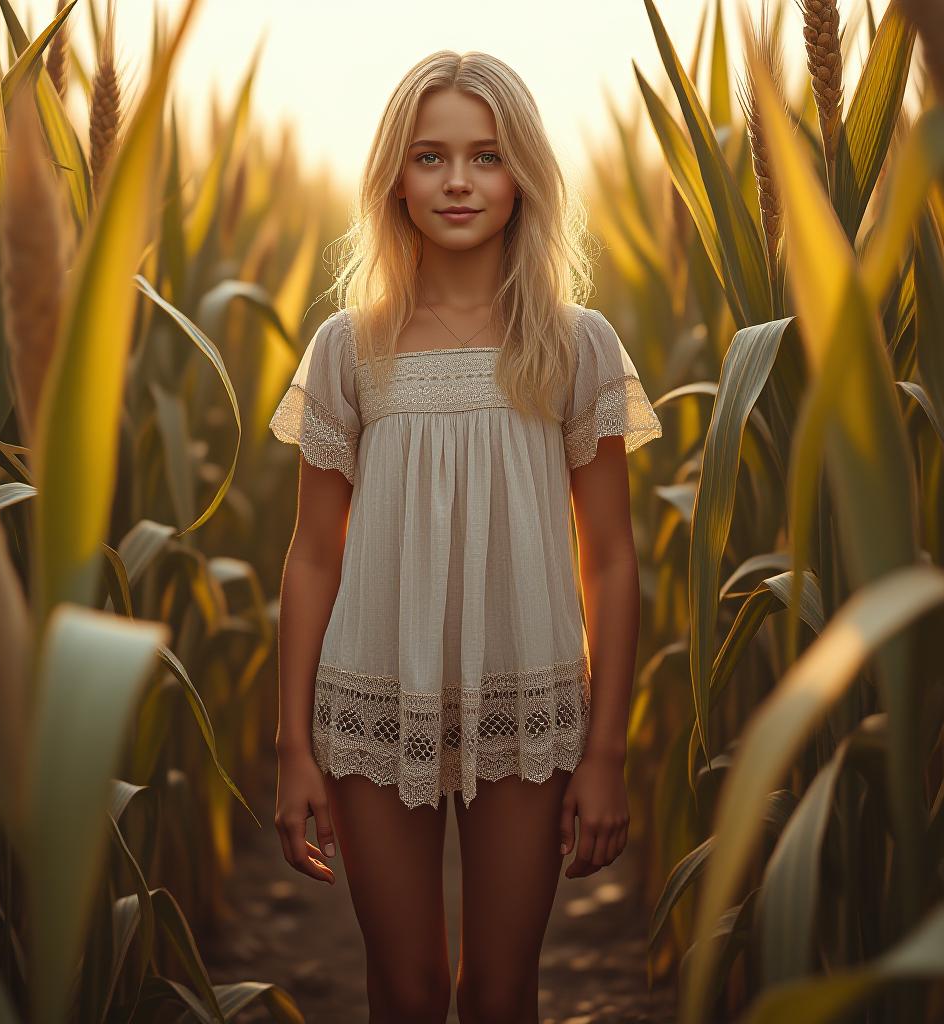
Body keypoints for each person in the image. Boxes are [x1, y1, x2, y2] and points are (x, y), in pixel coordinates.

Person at [270, 49, 663, 1024]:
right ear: (393, 179)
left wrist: (606, 749)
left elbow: (611, 556)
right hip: (372, 694)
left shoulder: (575, 346)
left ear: (522, 173)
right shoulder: (346, 349)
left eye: (485, 157)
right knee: (401, 993)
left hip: (523, 690)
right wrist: (293, 747)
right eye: (429, 157)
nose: (456, 182)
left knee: (498, 993)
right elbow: (313, 553)